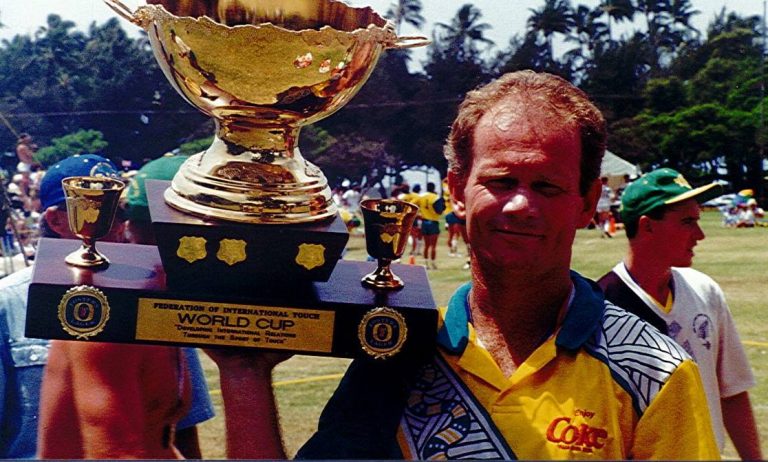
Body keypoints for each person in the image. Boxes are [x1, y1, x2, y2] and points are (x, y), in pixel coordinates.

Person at [207, 71, 719, 459]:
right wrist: (243, 371)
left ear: (588, 202)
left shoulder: (655, 372)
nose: (521, 204)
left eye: (547, 186)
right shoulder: (397, 348)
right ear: (456, 190)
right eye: (501, 181)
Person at [9, 154, 215, 459]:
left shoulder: (157, 299)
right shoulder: (87, 305)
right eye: (104, 209)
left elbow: (175, 429)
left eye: (119, 210)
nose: (117, 225)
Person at [597, 168, 761, 460]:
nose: (700, 235)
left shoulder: (704, 291)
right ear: (647, 226)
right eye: (688, 222)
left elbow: (732, 391)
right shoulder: (601, 307)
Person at [417, 181, 442, 269]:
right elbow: (440, 210)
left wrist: (419, 213)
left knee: (426, 245)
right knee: (433, 246)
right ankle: (433, 263)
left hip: (424, 222)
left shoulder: (421, 196)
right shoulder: (435, 197)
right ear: (434, 188)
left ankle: (425, 263)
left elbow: (413, 203)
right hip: (433, 222)